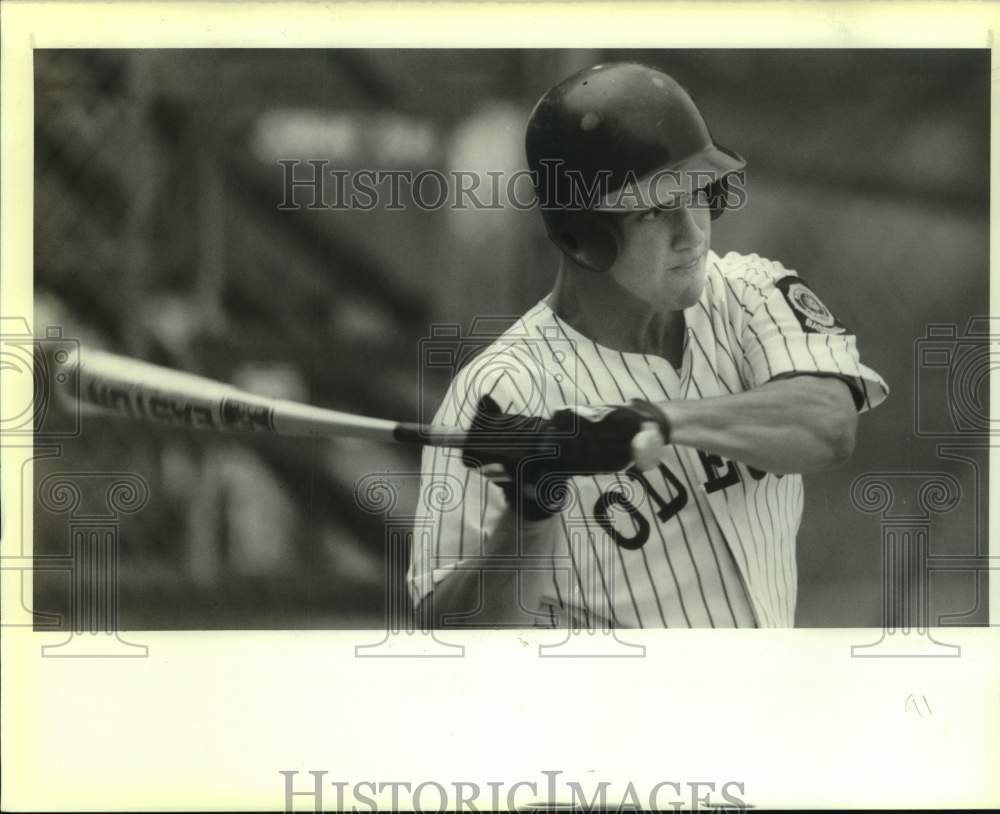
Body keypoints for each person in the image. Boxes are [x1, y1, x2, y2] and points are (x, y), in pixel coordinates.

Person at [408, 62, 888, 628]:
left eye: (700, 193)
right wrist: (529, 512)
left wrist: (659, 419)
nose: (693, 231)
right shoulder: (502, 389)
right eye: (656, 209)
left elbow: (828, 426)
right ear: (581, 233)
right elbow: (450, 640)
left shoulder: (751, 294)